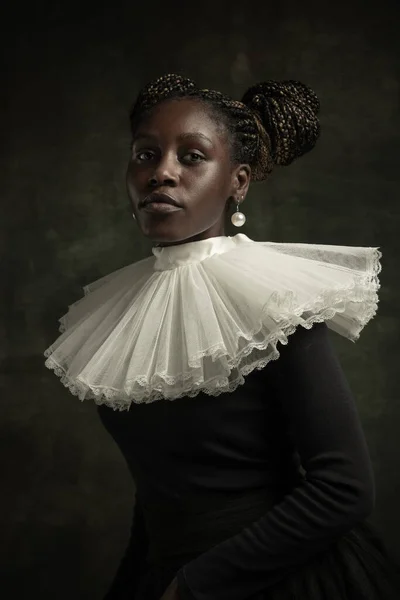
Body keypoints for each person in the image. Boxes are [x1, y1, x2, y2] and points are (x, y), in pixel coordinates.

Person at [44, 73, 400, 599]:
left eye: (191, 156)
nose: (161, 173)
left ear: (237, 182)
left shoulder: (274, 307)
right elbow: (164, 489)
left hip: (282, 580)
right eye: (146, 155)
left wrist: (193, 586)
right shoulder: (125, 311)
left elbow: (344, 489)